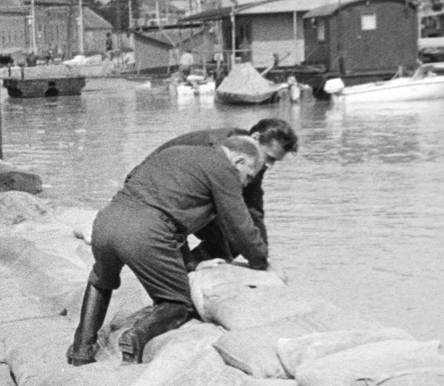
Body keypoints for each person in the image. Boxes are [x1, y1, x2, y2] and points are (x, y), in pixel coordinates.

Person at [67, 137, 267, 366]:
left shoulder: (177, 152)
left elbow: (158, 200)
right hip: (145, 232)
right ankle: (135, 336)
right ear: (239, 160)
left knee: (100, 280)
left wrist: (189, 263)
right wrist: (260, 261)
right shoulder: (223, 168)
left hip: (106, 221)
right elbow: (239, 224)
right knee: (179, 303)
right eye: (248, 176)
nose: (245, 184)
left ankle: (80, 350)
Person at [144, 118, 297, 265]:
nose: (270, 166)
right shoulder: (222, 150)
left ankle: (195, 266)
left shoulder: (252, 157)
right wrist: (258, 257)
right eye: (270, 158)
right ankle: (186, 266)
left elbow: (253, 208)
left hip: (182, 192)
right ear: (255, 137)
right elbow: (233, 212)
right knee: (236, 229)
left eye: (275, 161)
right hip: (155, 190)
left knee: (237, 240)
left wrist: (263, 253)